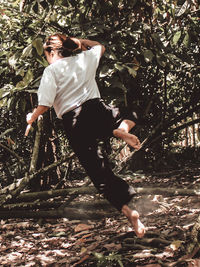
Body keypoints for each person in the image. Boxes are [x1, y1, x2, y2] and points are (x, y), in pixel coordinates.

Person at [25, 33, 145, 237]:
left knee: (99, 173)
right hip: (96, 109)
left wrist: (31, 117)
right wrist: (80, 42)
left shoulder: (51, 70)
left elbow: (44, 104)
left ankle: (131, 214)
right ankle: (121, 129)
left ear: (52, 51)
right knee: (131, 113)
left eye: (46, 53)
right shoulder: (85, 58)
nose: (46, 57)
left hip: (74, 121)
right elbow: (100, 46)